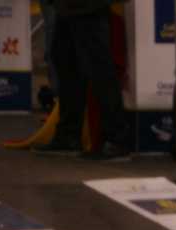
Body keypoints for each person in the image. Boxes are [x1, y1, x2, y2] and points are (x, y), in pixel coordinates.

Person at [34, 0, 131, 159]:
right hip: (67, 6)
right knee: (65, 62)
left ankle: (117, 139)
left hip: (88, 5)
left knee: (98, 67)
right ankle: (68, 136)